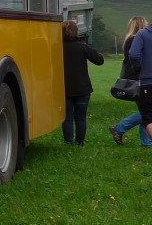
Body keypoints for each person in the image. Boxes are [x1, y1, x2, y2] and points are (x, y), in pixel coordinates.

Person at [61, 20, 104, 145]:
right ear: (76, 32)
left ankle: (68, 141)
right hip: (82, 88)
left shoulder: (57, 47)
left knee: (67, 117)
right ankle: (80, 142)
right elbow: (99, 60)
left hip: (64, 88)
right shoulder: (82, 47)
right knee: (80, 117)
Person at [110, 16, 151, 147]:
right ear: (141, 25)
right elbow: (136, 58)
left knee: (146, 111)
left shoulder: (131, 38)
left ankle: (146, 142)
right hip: (138, 79)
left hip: (138, 78)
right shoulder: (136, 38)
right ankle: (120, 128)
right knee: (147, 112)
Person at [126, 18, 152, 142]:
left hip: (147, 81)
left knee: (147, 116)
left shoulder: (142, 34)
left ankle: (119, 128)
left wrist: (140, 68)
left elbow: (134, 55)